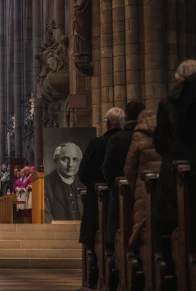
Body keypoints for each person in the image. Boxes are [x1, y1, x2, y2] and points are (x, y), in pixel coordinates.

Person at [79, 107, 124, 287]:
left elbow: (82, 173)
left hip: (98, 200)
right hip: (130, 202)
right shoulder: (132, 140)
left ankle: (93, 275)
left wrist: (95, 184)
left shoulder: (96, 144)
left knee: (93, 233)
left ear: (107, 122)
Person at [153, 59, 196, 236]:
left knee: (171, 227)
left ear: (178, 79)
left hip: (175, 172)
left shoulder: (169, 103)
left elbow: (160, 142)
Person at [102, 101, 145, 245]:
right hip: (147, 192)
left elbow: (108, 167)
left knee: (119, 227)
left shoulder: (117, 139)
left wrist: (113, 187)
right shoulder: (150, 137)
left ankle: (116, 256)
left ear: (126, 116)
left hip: (121, 193)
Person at [124, 109, 162, 248]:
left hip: (144, 188)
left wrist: (135, 187)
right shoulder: (170, 132)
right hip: (169, 187)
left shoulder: (139, 135)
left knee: (144, 226)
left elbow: (130, 168)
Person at [44, 142, 84, 222]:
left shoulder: (84, 183)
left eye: (75, 159)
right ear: (56, 161)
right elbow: (46, 216)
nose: (70, 164)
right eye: (65, 159)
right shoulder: (46, 184)